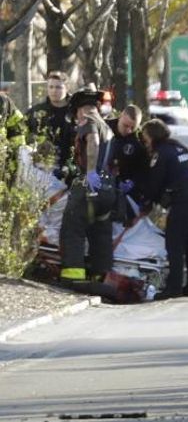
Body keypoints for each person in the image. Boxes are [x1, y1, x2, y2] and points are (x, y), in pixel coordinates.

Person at [140, 119, 188, 300]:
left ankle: (174, 287)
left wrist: (146, 202)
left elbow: (155, 183)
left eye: (145, 138)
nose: (145, 142)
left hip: (184, 200)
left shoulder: (160, 154)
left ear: (152, 136)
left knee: (174, 243)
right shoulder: (180, 148)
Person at [58, 86, 116, 287]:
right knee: (100, 235)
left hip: (89, 185)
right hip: (107, 189)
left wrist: (90, 171)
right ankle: (101, 279)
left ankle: (72, 277)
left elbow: (93, 142)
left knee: (72, 230)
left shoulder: (88, 121)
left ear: (79, 110)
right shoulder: (107, 126)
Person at [25, 71, 76, 173]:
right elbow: (24, 133)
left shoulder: (76, 112)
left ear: (67, 88)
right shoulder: (37, 111)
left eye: (58, 87)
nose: (54, 91)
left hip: (70, 165)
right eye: (51, 87)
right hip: (41, 166)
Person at [106, 105, 147, 222]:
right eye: (125, 125)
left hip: (123, 190)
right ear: (121, 116)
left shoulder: (139, 142)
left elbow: (143, 169)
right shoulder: (104, 127)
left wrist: (133, 182)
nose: (128, 130)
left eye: (132, 127)